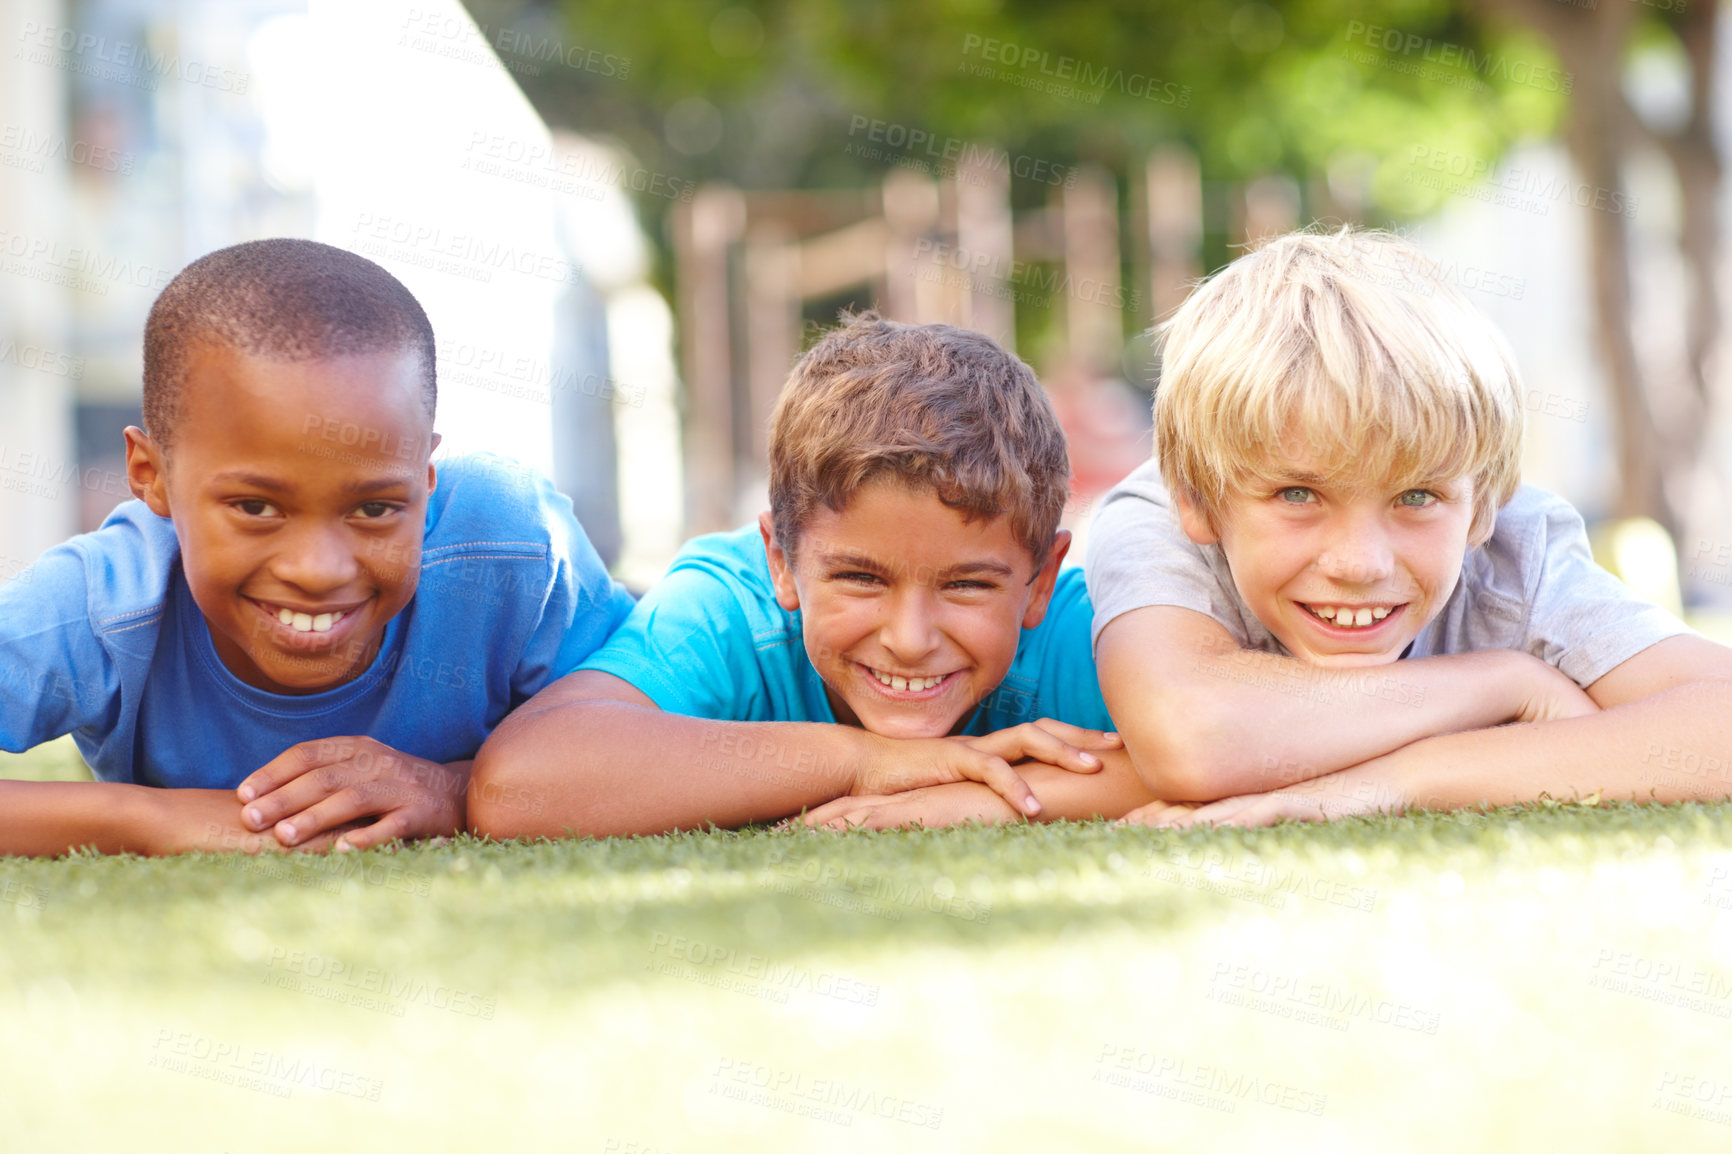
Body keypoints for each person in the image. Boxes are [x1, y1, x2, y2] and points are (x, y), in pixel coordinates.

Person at [0, 239, 633, 856]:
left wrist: (458, 789)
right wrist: (152, 819)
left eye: (374, 508)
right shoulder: (106, 605)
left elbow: (659, 737)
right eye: (255, 507)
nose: (318, 571)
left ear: (424, 481)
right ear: (150, 476)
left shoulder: (509, 553)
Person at [1085, 227, 1732, 828]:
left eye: (1416, 496)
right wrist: (1505, 684)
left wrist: (1404, 777)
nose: (1361, 563)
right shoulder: (1157, 520)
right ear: (1196, 499)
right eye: (1299, 494)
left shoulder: (1513, 554)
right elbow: (1191, 738)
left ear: (1483, 506)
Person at [468, 313, 1157, 837]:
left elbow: (1218, 751)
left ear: (1039, 580)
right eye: (860, 579)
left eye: (967, 585)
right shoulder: (727, 608)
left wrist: (967, 798)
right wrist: (866, 763)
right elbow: (519, 784)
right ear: (779, 561)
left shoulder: (1086, 632)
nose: (911, 640)